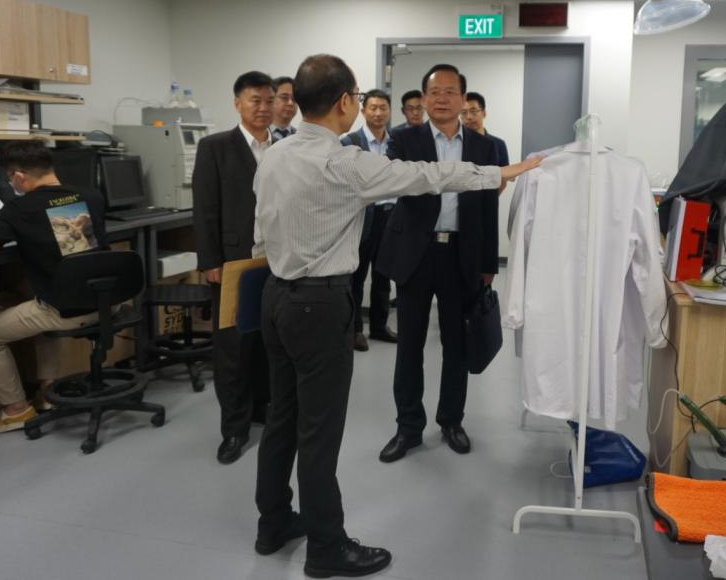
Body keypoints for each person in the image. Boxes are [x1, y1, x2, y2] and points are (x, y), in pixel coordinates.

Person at [251, 54, 539, 578]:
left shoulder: (274, 154)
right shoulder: (345, 162)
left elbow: (260, 230)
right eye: (358, 97)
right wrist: (502, 172)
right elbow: (426, 176)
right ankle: (326, 548)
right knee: (319, 432)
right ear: (345, 102)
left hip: (276, 296)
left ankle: (272, 523)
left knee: (283, 418)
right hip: (319, 306)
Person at [375, 64, 499, 464]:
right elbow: (394, 184)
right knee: (409, 345)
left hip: (462, 253)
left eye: (450, 92)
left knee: (457, 344)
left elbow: (488, 208)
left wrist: (488, 262)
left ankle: (451, 420)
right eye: (434, 92)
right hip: (415, 253)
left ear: (463, 99)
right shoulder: (403, 139)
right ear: (424, 99)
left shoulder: (484, 147)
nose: (442, 99)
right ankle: (408, 427)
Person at [0, 140, 108, 433]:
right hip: (108, 299)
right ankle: (47, 391)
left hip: (67, 309)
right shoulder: (91, 196)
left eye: (10, 178)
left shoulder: (20, 208)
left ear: (19, 176)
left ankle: (15, 410)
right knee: (38, 301)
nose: (11, 183)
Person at [192, 70, 275, 465]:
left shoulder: (283, 147)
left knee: (267, 341)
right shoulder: (216, 147)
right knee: (233, 349)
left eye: (269, 100)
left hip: (276, 260)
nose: (263, 108)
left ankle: (262, 408)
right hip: (234, 261)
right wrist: (210, 261)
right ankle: (234, 429)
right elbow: (205, 208)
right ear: (238, 103)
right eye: (255, 100)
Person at [341, 88, 397, 352]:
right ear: (363, 111)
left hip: (390, 216)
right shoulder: (349, 142)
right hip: (362, 217)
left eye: (383, 107)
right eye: (373, 108)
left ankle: (379, 326)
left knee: (384, 275)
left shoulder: (396, 142)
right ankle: (354, 330)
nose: (378, 113)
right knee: (357, 275)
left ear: (389, 111)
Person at [461, 91, 510, 192]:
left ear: (484, 113)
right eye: (464, 112)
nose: (468, 117)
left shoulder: (498, 144)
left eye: (473, 111)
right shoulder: (457, 143)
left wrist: (490, 199)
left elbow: (503, 178)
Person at [270, 75, 298, 140]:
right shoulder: (259, 134)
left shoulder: (300, 137)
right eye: (284, 98)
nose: (290, 103)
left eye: (294, 99)